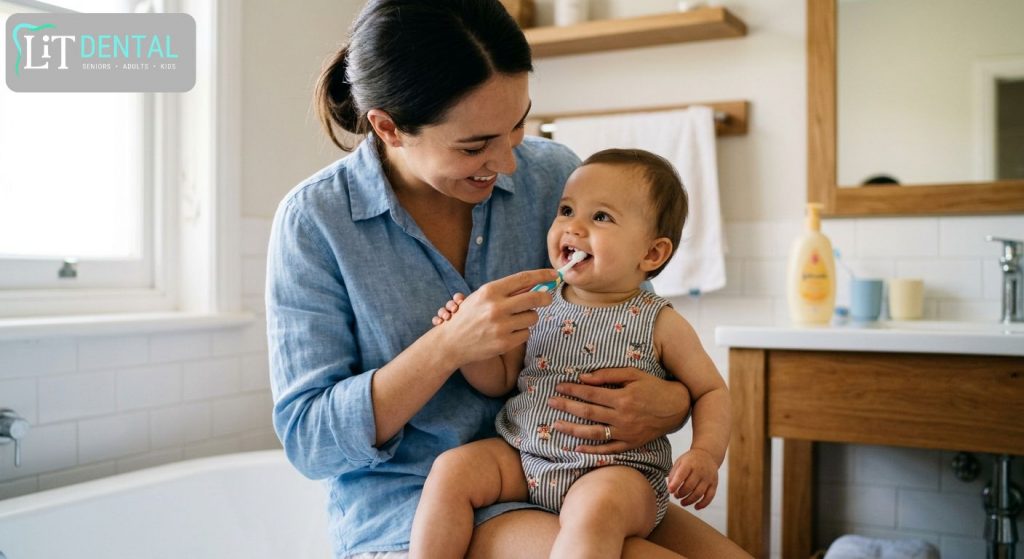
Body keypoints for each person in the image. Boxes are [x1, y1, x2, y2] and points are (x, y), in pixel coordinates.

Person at [266, 1, 751, 557]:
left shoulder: (555, 175)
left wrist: (669, 403)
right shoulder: (316, 222)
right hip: (422, 502)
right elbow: (310, 442)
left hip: (583, 471)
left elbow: (637, 320)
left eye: (517, 124)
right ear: (388, 127)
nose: (509, 162)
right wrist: (448, 346)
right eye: (475, 146)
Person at [409, 149, 732, 559]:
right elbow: (501, 379)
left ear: (651, 254)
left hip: (617, 472)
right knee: (452, 470)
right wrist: (465, 344)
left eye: (601, 218)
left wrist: (704, 453)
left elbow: (711, 391)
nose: (573, 227)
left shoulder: (659, 321)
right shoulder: (539, 302)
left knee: (592, 514)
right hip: (527, 454)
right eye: (566, 210)